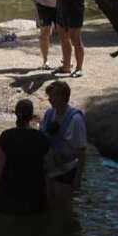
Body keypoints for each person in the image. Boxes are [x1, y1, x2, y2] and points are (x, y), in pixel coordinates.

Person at [0, 98, 49, 215]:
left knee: (5, 229)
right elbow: (48, 166)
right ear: (31, 116)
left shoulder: (6, 136)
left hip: (9, 191)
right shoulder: (41, 138)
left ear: (16, 113)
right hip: (33, 192)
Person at [41, 80, 87, 210]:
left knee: (64, 207)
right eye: (49, 95)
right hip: (49, 168)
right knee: (49, 205)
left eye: (52, 95)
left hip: (67, 169)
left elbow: (82, 152)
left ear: (62, 97)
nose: (49, 99)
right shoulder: (49, 114)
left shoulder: (76, 120)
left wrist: (78, 178)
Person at [55, 0, 87, 77]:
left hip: (75, 8)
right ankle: (66, 66)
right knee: (63, 38)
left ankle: (79, 69)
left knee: (75, 39)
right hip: (62, 7)